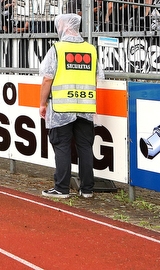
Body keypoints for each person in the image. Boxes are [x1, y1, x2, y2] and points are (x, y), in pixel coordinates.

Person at [39, 13, 99, 200]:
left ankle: (62, 188)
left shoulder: (57, 48)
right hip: (86, 106)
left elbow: (47, 78)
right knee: (85, 147)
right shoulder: (91, 49)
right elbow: (96, 78)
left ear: (64, 26)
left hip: (61, 107)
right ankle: (87, 189)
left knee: (62, 145)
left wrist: (42, 103)